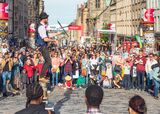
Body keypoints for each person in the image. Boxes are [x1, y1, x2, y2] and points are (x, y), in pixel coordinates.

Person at [37, 12, 61, 99]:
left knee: (48, 61)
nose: (47, 19)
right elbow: (45, 38)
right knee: (48, 61)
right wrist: (54, 41)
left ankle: (42, 76)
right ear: (44, 18)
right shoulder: (41, 27)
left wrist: (56, 34)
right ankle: (41, 76)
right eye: (47, 18)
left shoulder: (43, 27)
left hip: (43, 46)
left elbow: (48, 35)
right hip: (43, 46)